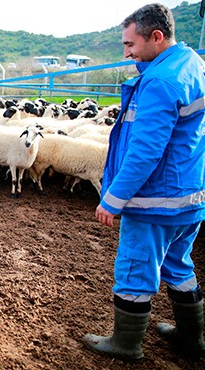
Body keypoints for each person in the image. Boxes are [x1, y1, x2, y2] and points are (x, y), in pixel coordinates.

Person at [83, 3, 205, 360]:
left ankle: (126, 344)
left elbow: (145, 152)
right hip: (188, 195)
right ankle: (190, 337)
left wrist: (113, 198)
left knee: (135, 268)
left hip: (155, 200)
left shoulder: (160, 82)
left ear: (156, 36)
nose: (126, 52)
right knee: (179, 265)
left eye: (130, 44)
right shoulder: (192, 66)